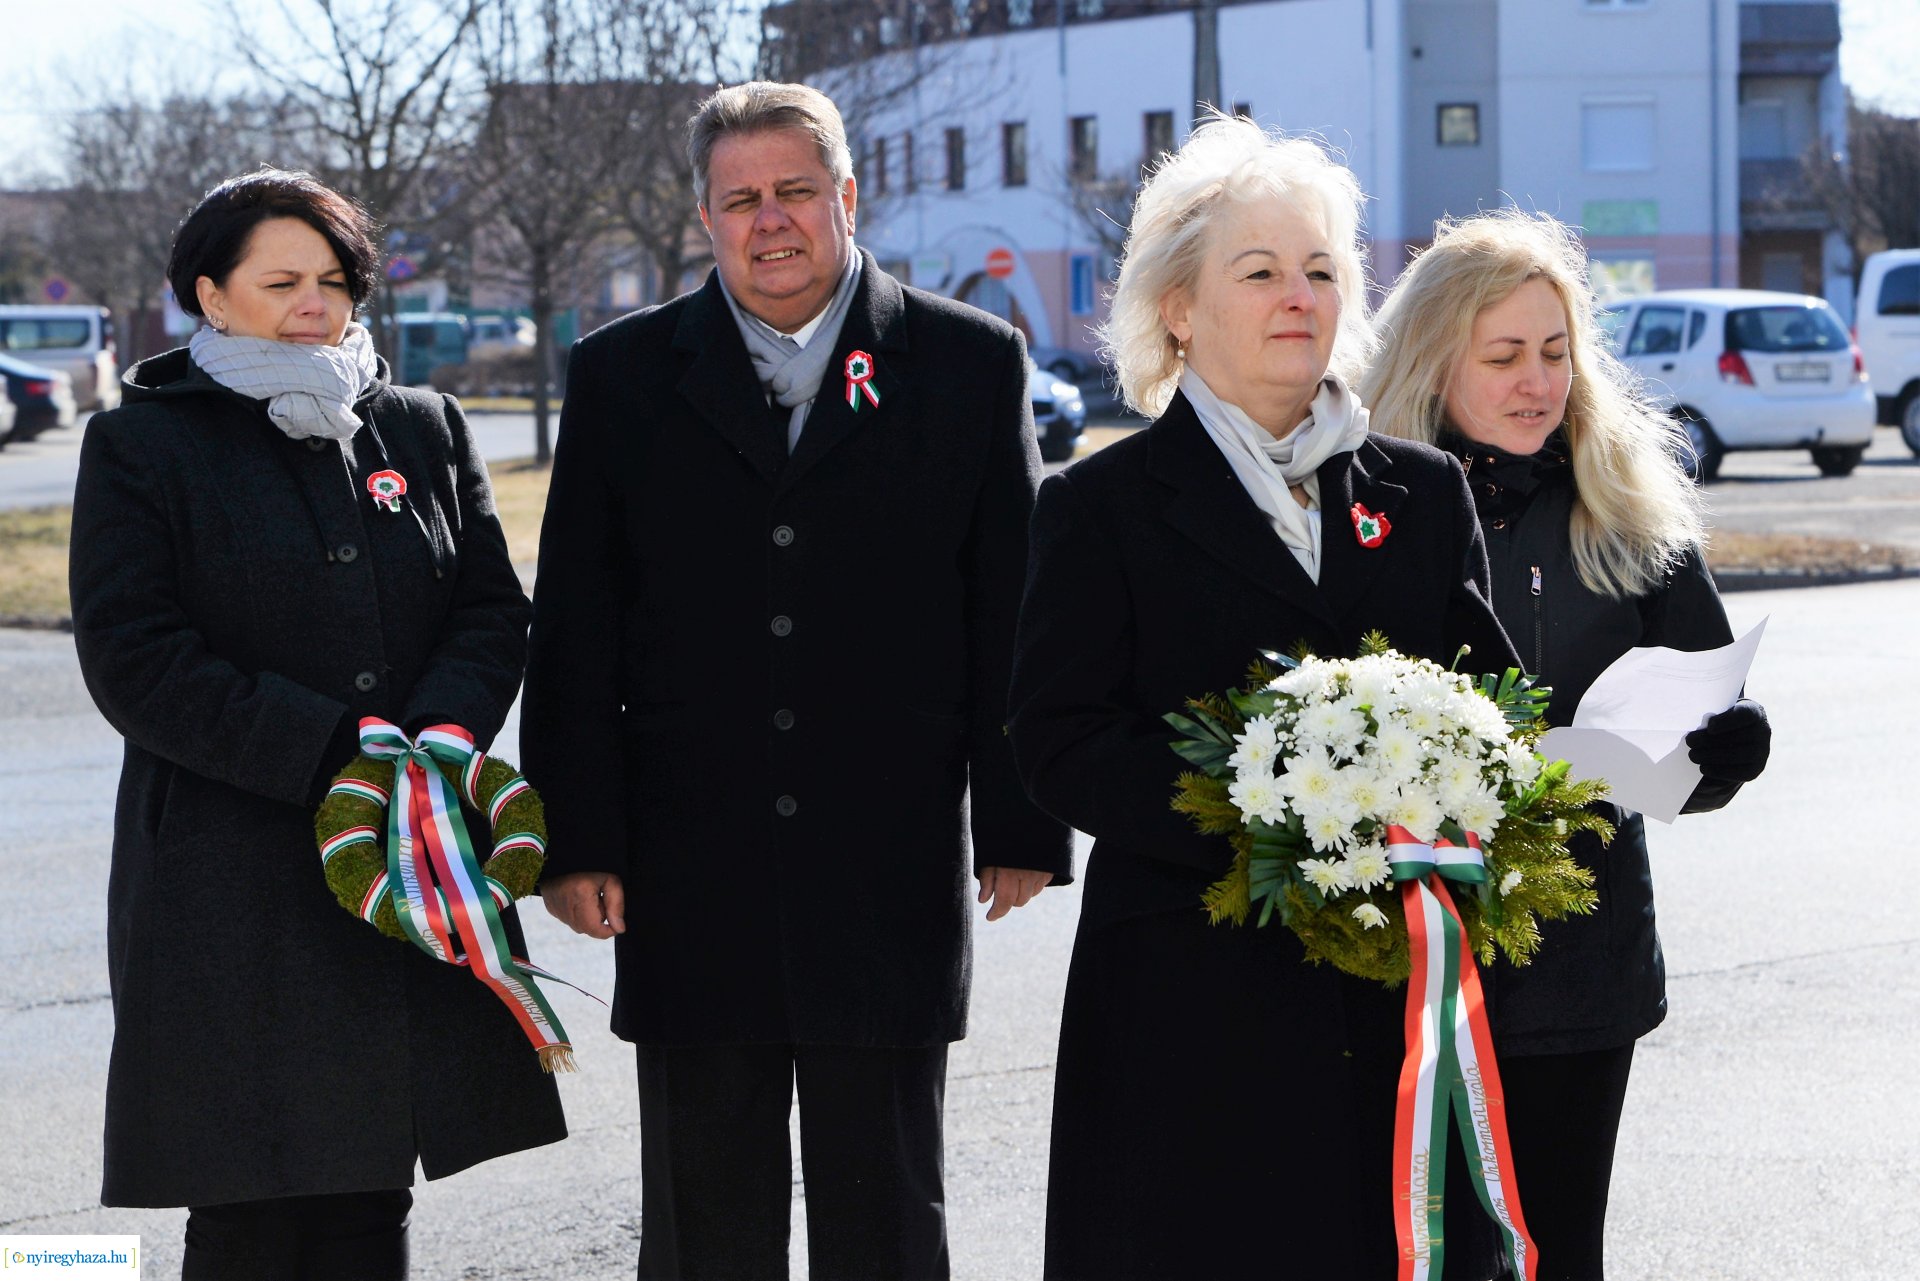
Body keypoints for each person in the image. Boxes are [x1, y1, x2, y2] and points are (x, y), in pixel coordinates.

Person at [520, 81, 1073, 1280]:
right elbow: (575, 627)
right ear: (706, 218)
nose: (771, 221)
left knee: (886, 1215)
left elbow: (1012, 610)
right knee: (703, 1222)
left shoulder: (969, 362)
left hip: (887, 861)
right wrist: (577, 840)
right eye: (742, 200)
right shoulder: (619, 377)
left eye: (795, 193)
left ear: (847, 196)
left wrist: (1021, 818)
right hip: (685, 866)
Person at [1006, 114, 1518, 1280]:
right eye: (1261, 271)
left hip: (1393, 998)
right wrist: (1278, 811)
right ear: (1177, 307)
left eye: (1323, 270)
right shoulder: (1101, 507)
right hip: (1190, 1004)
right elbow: (1060, 738)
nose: (1301, 296)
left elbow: (1490, 705)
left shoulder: (1426, 491)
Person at [67, 168, 565, 1279]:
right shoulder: (143, 445)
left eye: (335, 280)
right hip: (224, 881)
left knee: (366, 1192)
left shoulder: (420, 428)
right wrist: (337, 750)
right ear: (212, 294)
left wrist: (439, 732)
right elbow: (135, 660)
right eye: (281, 280)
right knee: (248, 1206)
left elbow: (490, 610)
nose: (315, 303)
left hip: (394, 866)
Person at [1362, 210, 1772, 1280]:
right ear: (1432, 359)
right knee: (1413, 1250)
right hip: (1394, 957)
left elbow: (1698, 720)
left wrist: (1726, 753)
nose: (1536, 381)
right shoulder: (1361, 502)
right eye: (1503, 356)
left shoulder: (1630, 506)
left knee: (1556, 1252)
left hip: (1579, 963)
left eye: (1555, 352)